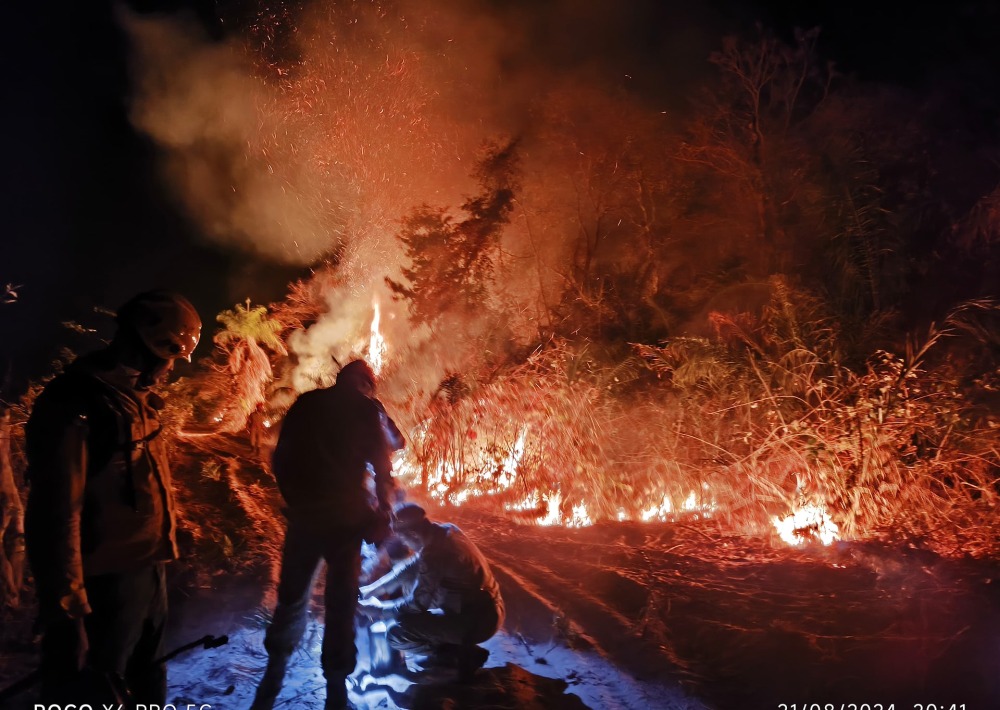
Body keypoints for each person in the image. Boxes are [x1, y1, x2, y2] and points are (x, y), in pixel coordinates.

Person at [24, 290, 201, 704]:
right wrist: (68, 609)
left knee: (146, 689)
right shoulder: (77, 403)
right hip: (104, 583)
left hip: (147, 571)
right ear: (149, 345)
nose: (171, 366)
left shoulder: (136, 399)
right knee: (95, 692)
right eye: (170, 355)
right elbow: (56, 513)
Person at [252, 359, 404, 710]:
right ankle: (336, 689)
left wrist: (296, 499)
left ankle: (272, 679)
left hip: (305, 517)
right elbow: (387, 461)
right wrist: (384, 511)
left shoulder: (306, 403)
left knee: (292, 597)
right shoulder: (368, 409)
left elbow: (281, 458)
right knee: (340, 604)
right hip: (346, 522)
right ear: (366, 385)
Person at [356, 503, 504, 681]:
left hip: (479, 621)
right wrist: (373, 589)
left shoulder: (436, 554)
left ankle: (456, 657)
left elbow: (417, 604)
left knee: (397, 634)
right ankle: (455, 648)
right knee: (408, 594)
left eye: (404, 539)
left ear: (413, 534)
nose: (404, 544)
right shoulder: (446, 531)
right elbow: (411, 567)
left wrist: (379, 610)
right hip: (481, 609)